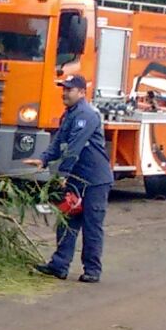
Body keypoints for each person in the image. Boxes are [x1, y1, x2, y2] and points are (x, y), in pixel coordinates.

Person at [22, 74, 113, 282]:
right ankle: (59, 265)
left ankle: (92, 270)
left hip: (94, 181)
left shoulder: (86, 115)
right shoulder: (69, 115)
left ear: (82, 92)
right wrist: (43, 160)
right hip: (76, 178)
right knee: (67, 222)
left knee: (91, 225)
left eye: (69, 90)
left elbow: (74, 147)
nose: (64, 93)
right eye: (63, 89)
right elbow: (59, 142)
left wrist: (62, 174)